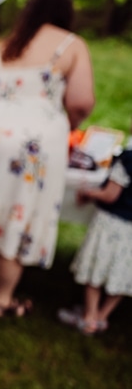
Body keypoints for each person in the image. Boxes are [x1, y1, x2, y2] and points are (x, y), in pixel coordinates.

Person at [0, 0, 95, 318]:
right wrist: (69, 121)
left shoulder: (9, 44)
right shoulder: (71, 44)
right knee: (17, 216)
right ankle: (2, 300)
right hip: (38, 141)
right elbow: (81, 102)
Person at [57, 125, 132, 335]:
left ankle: (89, 317)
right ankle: (102, 316)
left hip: (111, 224)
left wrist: (89, 193)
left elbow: (110, 194)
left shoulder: (128, 159)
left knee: (96, 270)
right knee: (122, 273)